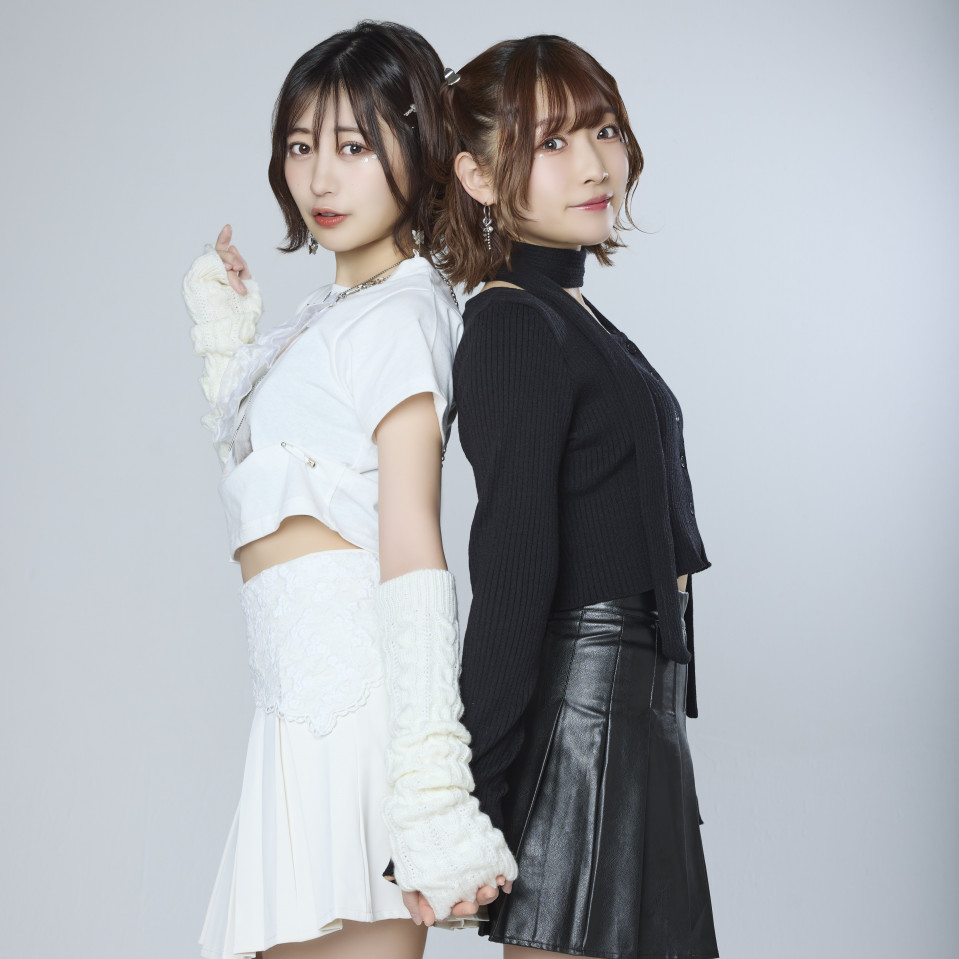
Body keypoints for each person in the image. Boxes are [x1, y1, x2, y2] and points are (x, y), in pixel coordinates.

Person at [181, 21, 516, 959]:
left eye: (353, 147)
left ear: (416, 148)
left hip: (354, 716)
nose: (320, 178)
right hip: (294, 713)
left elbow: (411, 541)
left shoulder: (404, 311)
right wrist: (230, 331)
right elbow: (283, 478)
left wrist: (431, 784)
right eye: (300, 146)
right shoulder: (334, 314)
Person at [436, 35, 719, 959]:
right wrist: (467, 803)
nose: (595, 163)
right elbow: (511, 575)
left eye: (602, 130)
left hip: (634, 720)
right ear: (478, 176)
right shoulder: (512, 324)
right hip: (581, 731)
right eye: (551, 142)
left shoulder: (573, 315)